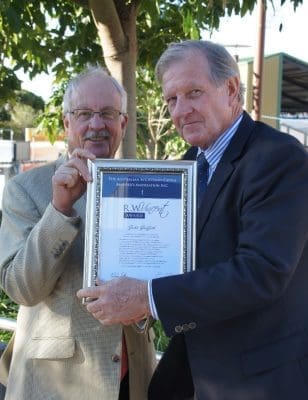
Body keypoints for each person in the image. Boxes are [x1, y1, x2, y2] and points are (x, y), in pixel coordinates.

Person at [77, 40, 308, 400]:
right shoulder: (189, 165)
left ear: (231, 89)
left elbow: (262, 271)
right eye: (172, 99)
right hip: (194, 370)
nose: (181, 110)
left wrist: (147, 296)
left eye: (193, 93)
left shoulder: (278, 158)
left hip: (256, 380)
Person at [0, 66, 156, 400]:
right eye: (84, 113)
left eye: (108, 114)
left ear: (123, 123)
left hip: (135, 380)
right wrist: (59, 210)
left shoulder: (148, 183)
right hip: (56, 385)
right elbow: (21, 289)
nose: (97, 125)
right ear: (66, 122)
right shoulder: (26, 189)